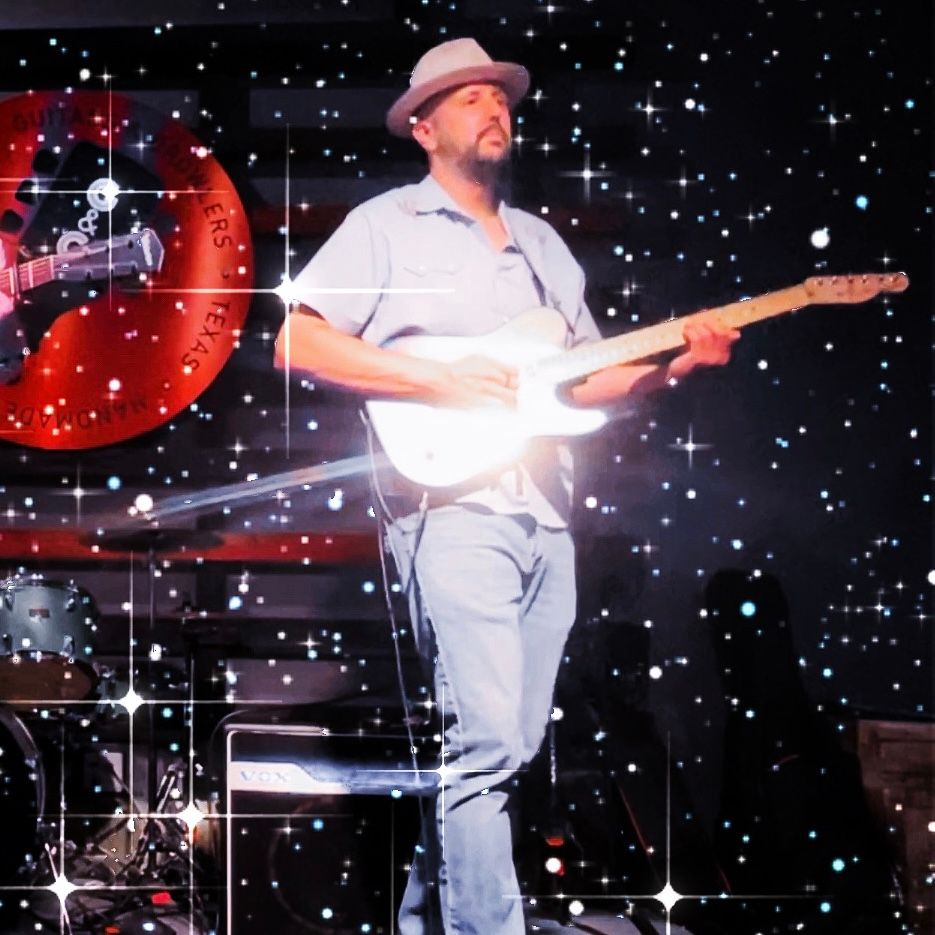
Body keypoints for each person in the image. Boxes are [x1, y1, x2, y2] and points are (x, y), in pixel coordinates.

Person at [274, 37, 738, 935]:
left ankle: (425, 922)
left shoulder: (541, 245)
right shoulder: (385, 225)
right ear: (422, 127)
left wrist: (676, 364)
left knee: (510, 747)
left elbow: (583, 381)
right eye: (469, 97)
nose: (494, 108)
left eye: (500, 96)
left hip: (544, 512)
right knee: (484, 741)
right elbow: (297, 341)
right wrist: (438, 379)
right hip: (449, 509)